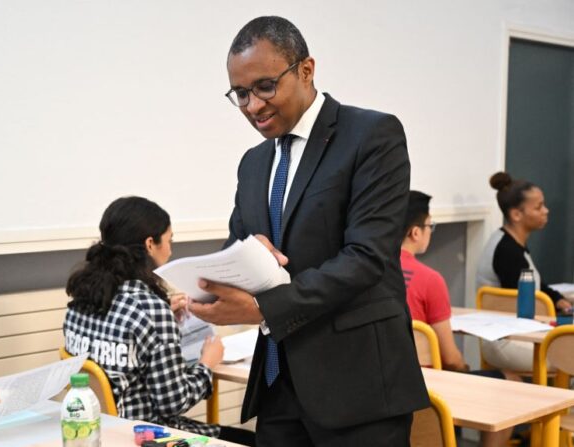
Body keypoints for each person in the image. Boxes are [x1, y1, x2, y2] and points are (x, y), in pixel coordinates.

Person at [188, 16, 428, 446]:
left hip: (360, 390)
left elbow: (366, 257)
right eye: (240, 94)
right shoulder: (254, 162)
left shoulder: (372, 135)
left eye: (264, 86)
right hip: (279, 383)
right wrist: (226, 270)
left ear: (306, 70)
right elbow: (236, 244)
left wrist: (265, 308)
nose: (253, 105)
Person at [62, 196, 255, 446]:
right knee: (254, 440)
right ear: (150, 244)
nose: (171, 249)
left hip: (96, 430)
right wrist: (208, 363)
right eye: (169, 240)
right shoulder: (149, 308)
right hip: (144, 434)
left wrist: (164, 318)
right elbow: (174, 402)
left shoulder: (81, 300)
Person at [401, 190, 518, 447]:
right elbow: (451, 358)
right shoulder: (430, 279)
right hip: (431, 387)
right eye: (430, 225)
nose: (431, 231)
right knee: (512, 384)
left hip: (390, 383)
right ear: (415, 232)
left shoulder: (370, 272)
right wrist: (464, 372)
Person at [476, 172, 572, 371]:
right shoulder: (507, 252)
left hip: (518, 333)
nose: (546, 211)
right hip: (506, 339)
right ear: (516, 214)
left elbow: (537, 284)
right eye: (538, 207)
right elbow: (528, 304)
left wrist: (557, 298)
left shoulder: (512, 245)